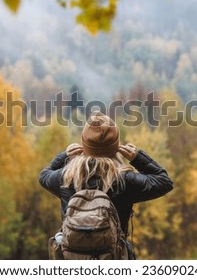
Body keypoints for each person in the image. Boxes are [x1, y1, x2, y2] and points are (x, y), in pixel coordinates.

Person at [39, 111, 173, 259]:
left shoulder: (66, 178)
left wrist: (64, 156)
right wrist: (137, 158)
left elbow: (44, 176)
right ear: (115, 147)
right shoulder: (124, 180)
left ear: (84, 144)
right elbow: (164, 182)